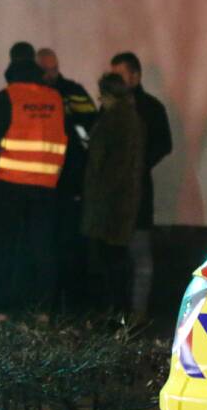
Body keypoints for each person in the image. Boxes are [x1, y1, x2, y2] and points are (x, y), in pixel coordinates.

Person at [0, 42, 68, 315]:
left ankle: (1, 311)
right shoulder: (55, 99)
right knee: (42, 250)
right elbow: (68, 144)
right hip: (46, 188)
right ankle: (43, 311)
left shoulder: (5, 98)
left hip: (8, 185)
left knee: (4, 248)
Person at [109, 51, 172, 318]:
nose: (115, 80)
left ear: (135, 76)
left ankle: (136, 313)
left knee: (139, 255)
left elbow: (163, 145)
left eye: (119, 74)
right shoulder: (116, 108)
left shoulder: (151, 108)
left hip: (137, 193)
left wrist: (138, 164)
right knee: (118, 258)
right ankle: (120, 312)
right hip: (118, 195)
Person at [36, 47, 97, 311]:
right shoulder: (34, 96)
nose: (51, 74)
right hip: (44, 184)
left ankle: (71, 305)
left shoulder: (73, 92)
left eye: (54, 69)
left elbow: (91, 128)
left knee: (70, 247)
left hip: (70, 184)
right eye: (46, 70)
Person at [81, 73, 145, 312]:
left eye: (102, 95)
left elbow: (108, 166)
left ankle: (113, 316)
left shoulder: (115, 120)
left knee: (110, 263)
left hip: (110, 206)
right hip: (120, 204)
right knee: (115, 261)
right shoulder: (131, 119)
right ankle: (118, 315)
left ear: (109, 95)